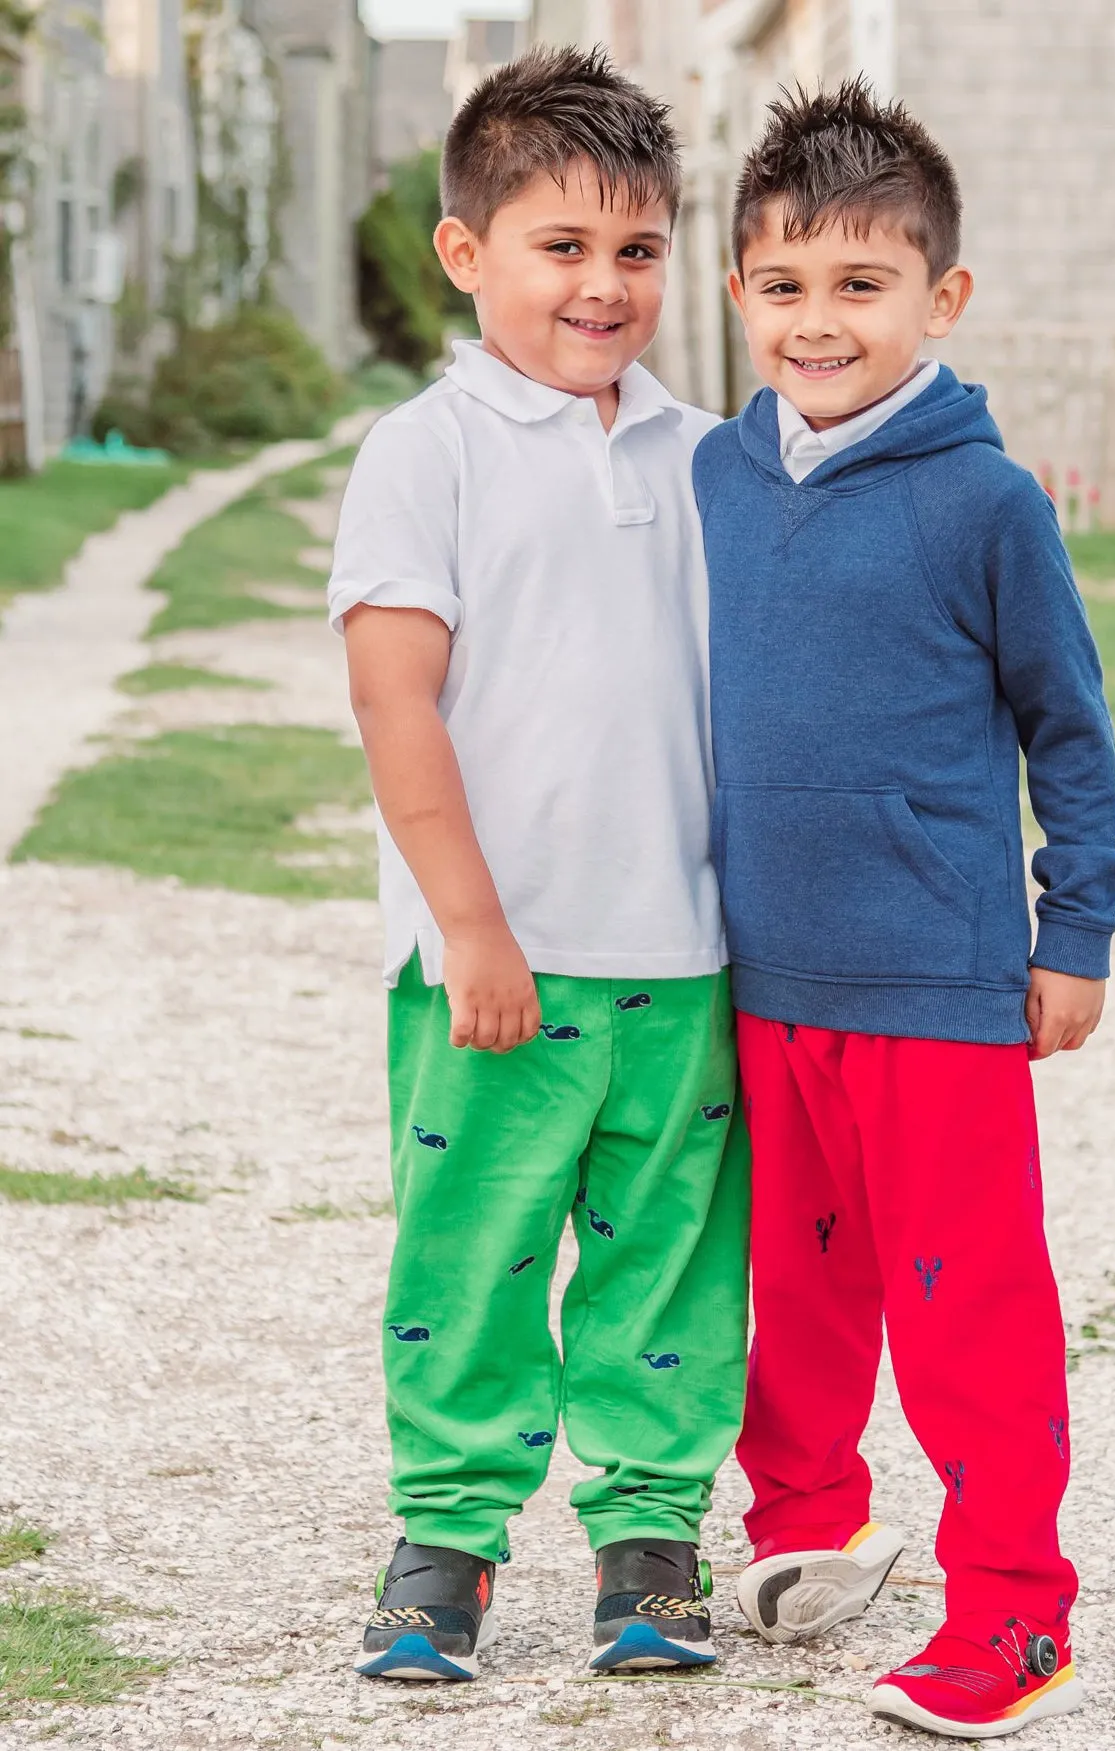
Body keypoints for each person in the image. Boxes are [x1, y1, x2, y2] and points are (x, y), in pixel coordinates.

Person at [694, 82, 1115, 1739]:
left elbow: (1067, 728)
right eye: (785, 285)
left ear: (939, 300)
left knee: (964, 1307)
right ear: (740, 293)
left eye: (861, 285)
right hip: (767, 968)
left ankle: (1017, 1612)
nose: (820, 322)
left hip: (937, 981)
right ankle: (810, 1523)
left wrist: (1070, 927)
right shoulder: (720, 480)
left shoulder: (985, 501)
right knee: (797, 1287)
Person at [326, 46, 749, 1684]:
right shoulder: (426, 452)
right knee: (473, 1250)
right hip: (493, 962)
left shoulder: (706, 455)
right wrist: (473, 927)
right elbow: (393, 697)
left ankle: (649, 1545)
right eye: (559, 246)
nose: (601, 284)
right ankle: (444, 1540)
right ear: (466, 251)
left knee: (667, 1265)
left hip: (686, 957)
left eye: (634, 250)